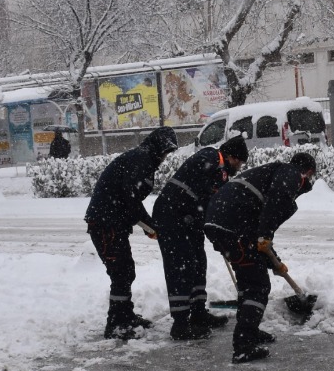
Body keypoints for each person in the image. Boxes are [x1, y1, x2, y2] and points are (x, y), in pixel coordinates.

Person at [203, 150, 318, 364]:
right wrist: (265, 235)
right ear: (308, 172)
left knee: (248, 279)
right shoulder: (291, 172)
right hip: (233, 225)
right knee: (257, 286)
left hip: (222, 222)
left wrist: (273, 260)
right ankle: (244, 345)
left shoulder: (269, 174)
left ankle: (250, 331)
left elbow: (259, 229)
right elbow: (276, 203)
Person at [84, 127, 178, 340]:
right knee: (121, 272)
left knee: (125, 270)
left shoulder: (144, 159)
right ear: (158, 146)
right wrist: (149, 225)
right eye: (165, 151)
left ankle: (125, 315)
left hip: (113, 222)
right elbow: (130, 197)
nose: (165, 157)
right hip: (105, 223)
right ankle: (115, 324)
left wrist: (148, 225)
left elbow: (130, 199)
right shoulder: (141, 159)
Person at [153, 135, 249, 340]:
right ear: (232, 156)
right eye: (239, 162)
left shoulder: (220, 170)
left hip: (190, 218)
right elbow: (205, 195)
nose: (239, 167)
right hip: (171, 215)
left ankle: (198, 313)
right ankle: (180, 324)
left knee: (198, 263)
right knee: (181, 266)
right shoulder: (209, 158)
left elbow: (213, 202)